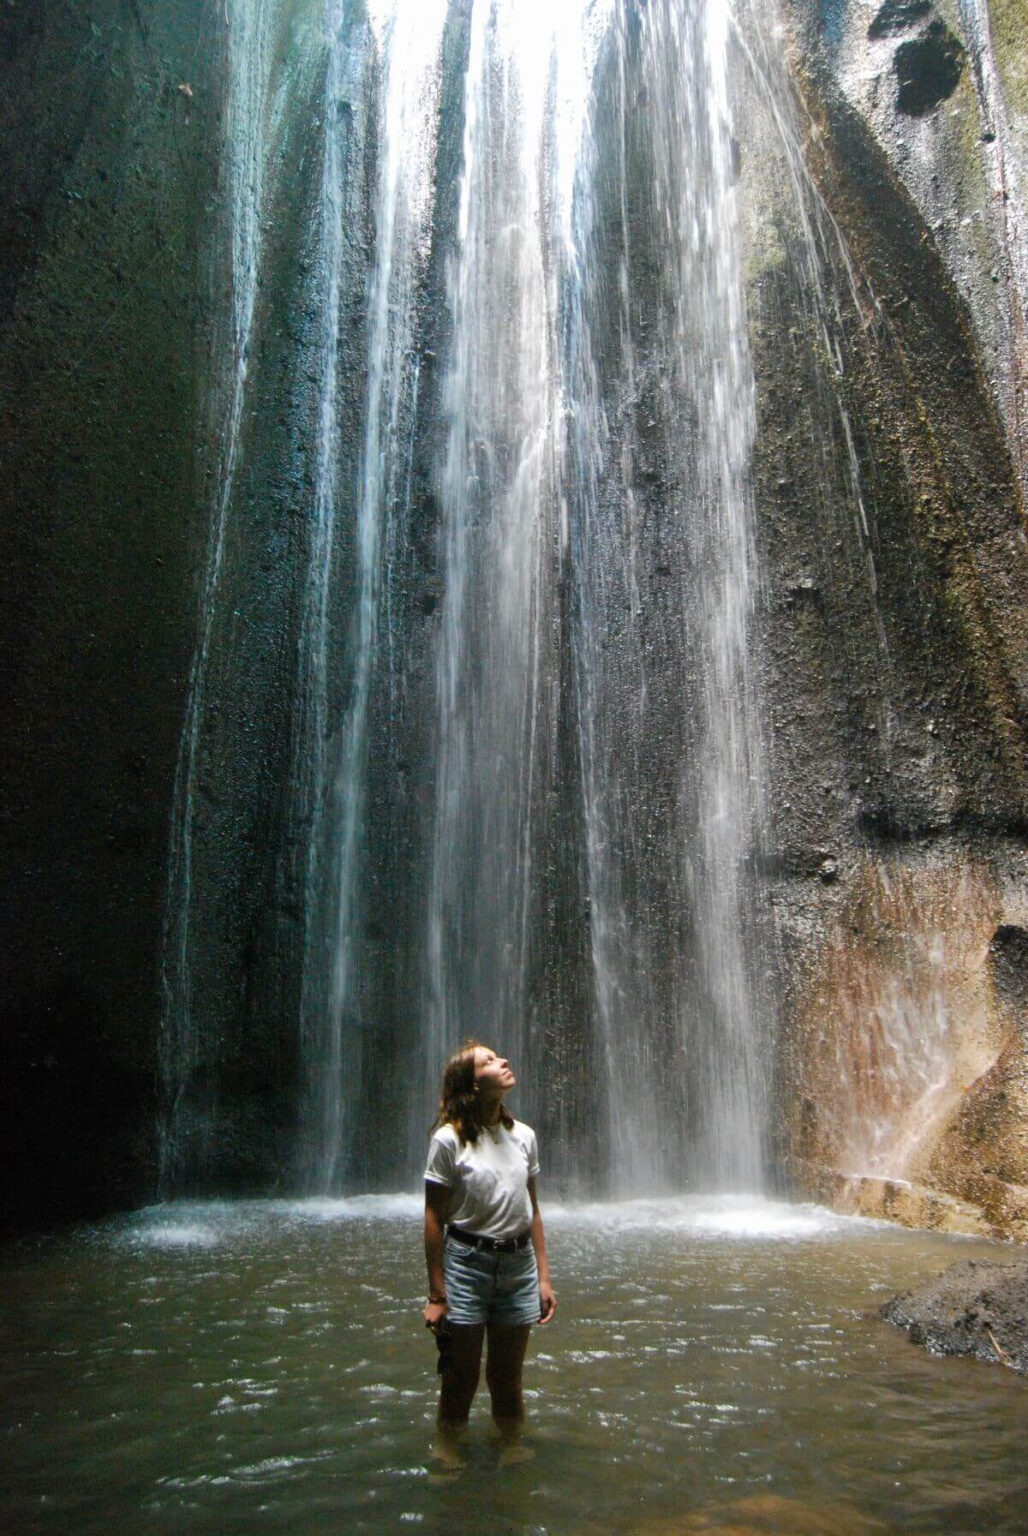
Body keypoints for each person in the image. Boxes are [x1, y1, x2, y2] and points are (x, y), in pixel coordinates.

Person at [422, 1040, 556, 1466]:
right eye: (490, 1061)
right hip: (466, 1264)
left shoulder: (524, 1136)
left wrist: (544, 1277)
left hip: (517, 1266)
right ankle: (446, 1449)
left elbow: (532, 1209)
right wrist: (436, 1294)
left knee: (507, 1375)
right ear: (471, 1085)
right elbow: (433, 1218)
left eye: (499, 1057)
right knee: (460, 1374)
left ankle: (511, 1444)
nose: (504, 1062)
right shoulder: (448, 1141)